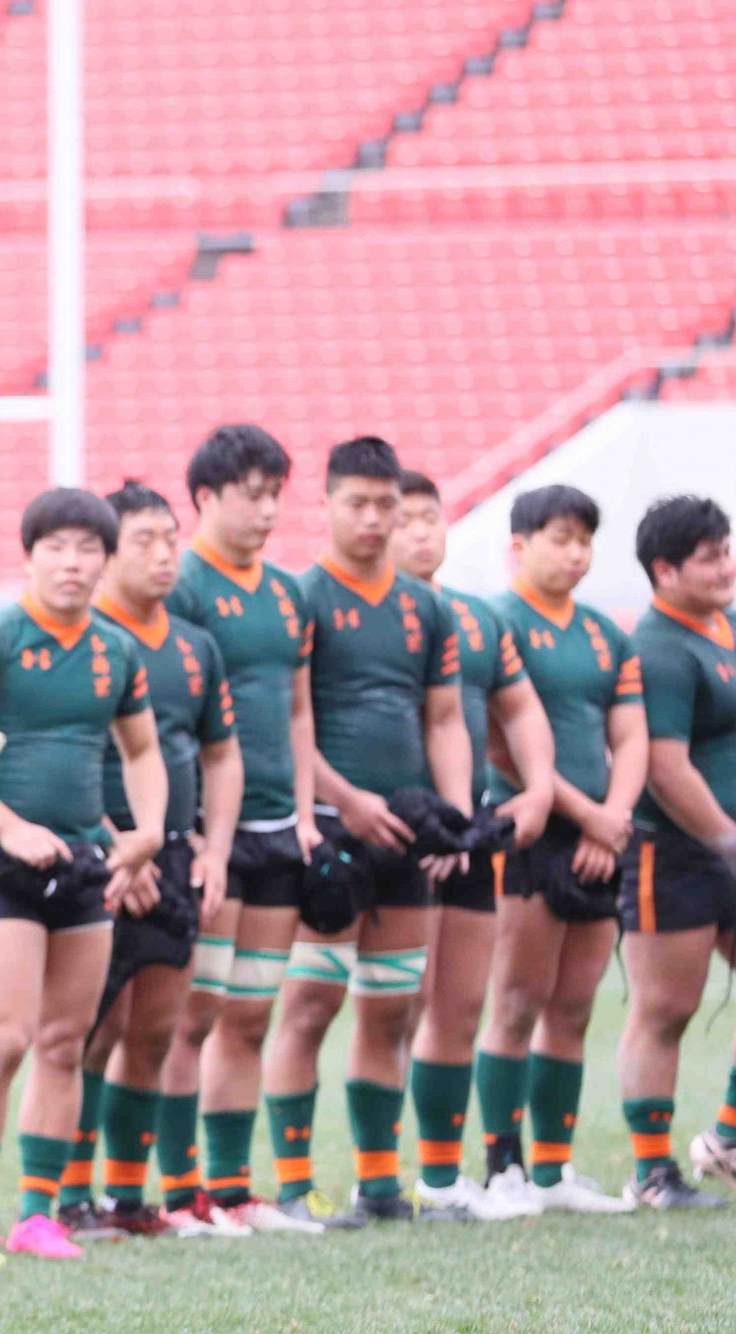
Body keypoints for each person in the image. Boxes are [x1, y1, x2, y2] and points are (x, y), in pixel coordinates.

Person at [262, 437, 478, 1228]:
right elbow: (290, 721)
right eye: (357, 502)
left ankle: (380, 1184)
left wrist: (454, 819)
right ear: (325, 506)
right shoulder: (302, 599)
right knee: (311, 1005)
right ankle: (291, 1185)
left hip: (408, 834)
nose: (375, 519)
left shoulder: (427, 607)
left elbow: (446, 719)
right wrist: (345, 800)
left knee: (393, 1009)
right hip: (329, 831)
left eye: (387, 504)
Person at [0, 488, 165, 1261]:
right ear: (29, 552)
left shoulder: (116, 650)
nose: (72, 564)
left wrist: (148, 833)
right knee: (5, 1037)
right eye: (57, 548)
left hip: (84, 867)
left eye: (87, 550)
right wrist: (6, 825)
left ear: (105, 561)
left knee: (66, 1042)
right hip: (0, 867)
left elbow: (141, 751)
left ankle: (39, 1214)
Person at [67, 483, 241, 1241]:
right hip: (98, 862)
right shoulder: (86, 639)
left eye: (171, 538)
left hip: (174, 860)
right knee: (87, 1034)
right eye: (144, 540)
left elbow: (221, 756)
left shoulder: (197, 646)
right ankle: (65, 1195)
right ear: (106, 554)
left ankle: (128, 1197)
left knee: (154, 1032)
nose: (164, 554)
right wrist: (123, 847)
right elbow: (65, 759)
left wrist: (214, 849)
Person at [461, 485, 641, 1214]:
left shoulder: (605, 633)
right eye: (561, 537)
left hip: (604, 830)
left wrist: (615, 816)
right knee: (517, 998)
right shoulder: (496, 624)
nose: (576, 553)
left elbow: (628, 734)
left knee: (573, 1006)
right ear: (520, 545)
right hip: (531, 830)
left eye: (585, 540)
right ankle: (503, 1165)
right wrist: (586, 814)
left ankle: (554, 1168)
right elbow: (502, 741)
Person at [388, 469, 556, 1219]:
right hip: (389, 835)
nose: (423, 533)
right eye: (407, 520)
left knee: (458, 1006)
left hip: (467, 834)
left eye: (433, 518)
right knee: (393, 1007)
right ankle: (365, 1176)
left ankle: (442, 1176)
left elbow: (517, 709)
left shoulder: (479, 619)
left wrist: (542, 785)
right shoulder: (352, 616)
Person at [163, 425, 318, 1233]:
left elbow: (297, 709)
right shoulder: (183, 586)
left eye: (273, 495)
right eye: (250, 494)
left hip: (275, 831)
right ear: (206, 499)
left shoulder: (288, 593)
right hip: (206, 834)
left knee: (253, 1012)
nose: (265, 510)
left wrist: (301, 812)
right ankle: (175, 1188)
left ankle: (231, 1189)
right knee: (193, 1013)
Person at [614, 495, 736, 1209]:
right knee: (665, 1008)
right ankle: (650, 1172)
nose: (726, 566)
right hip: (676, 854)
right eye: (709, 557)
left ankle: (732, 1134)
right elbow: (665, 767)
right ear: (664, 570)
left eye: (727, 550)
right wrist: (729, 841)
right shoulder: (659, 650)